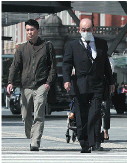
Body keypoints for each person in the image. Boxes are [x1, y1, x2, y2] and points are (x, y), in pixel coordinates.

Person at [63, 17, 114, 153]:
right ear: (79, 30)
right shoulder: (72, 45)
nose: (86, 32)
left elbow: (106, 64)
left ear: (93, 29)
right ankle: (84, 142)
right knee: (82, 115)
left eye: (88, 29)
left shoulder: (101, 43)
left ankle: (95, 141)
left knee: (95, 113)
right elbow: (67, 64)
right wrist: (66, 80)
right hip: (80, 85)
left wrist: (111, 82)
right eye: (83, 30)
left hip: (97, 84)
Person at [6, 19, 57, 151]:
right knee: (25, 115)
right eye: (27, 30)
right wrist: (10, 82)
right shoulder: (21, 48)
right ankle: (31, 134)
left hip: (41, 85)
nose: (29, 32)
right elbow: (15, 66)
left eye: (32, 30)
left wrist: (48, 83)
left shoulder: (47, 46)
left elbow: (53, 67)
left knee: (39, 113)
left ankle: (35, 142)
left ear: (37, 31)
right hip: (26, 86)